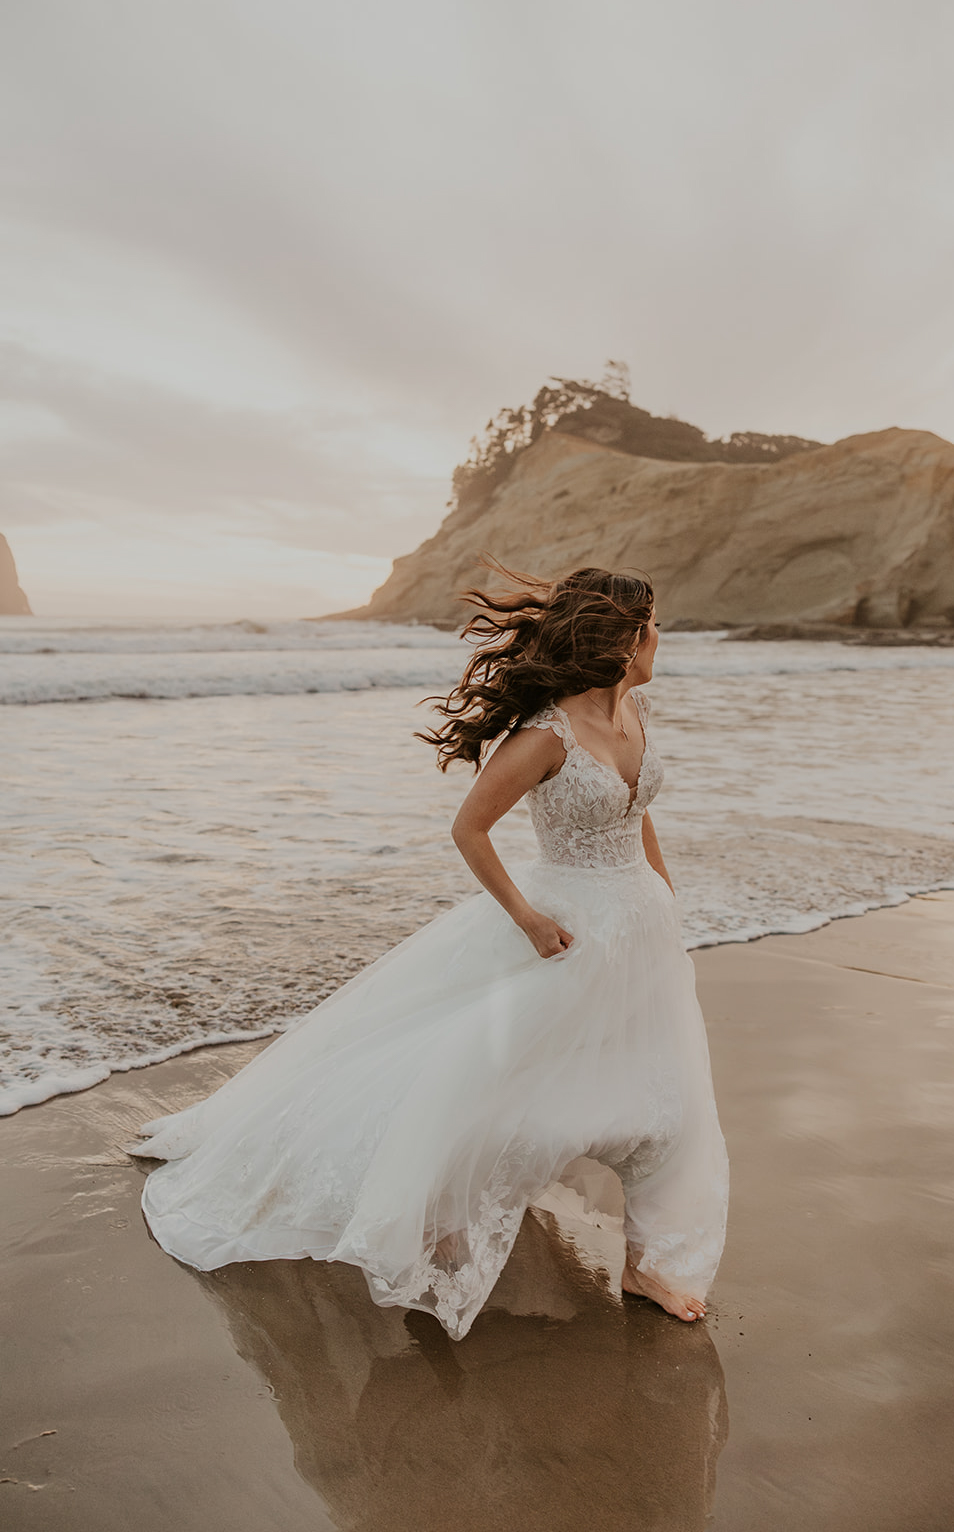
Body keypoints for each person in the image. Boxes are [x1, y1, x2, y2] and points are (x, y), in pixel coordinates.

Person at [134, 566, 728, 1339]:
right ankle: (434, 1210)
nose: (658, 639)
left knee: (668, 1102)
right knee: (504, 1094)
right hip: (566, 929)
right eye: (651, 626)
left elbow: (634, 809)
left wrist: (664, 894)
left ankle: (652, 1262)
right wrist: (526, 918)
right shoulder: (545, 735)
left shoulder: (636, 712)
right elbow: (469, 830)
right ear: (619, 639)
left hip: (641, 929)